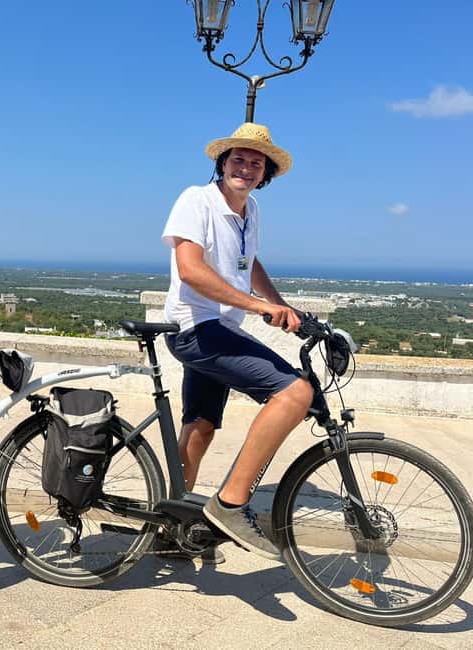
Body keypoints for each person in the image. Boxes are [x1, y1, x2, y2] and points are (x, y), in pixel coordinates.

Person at [160, 123, 313, 561]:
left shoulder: (251, 212)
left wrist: (282, 305)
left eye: (256, 162)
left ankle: (174, 528)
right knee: (295, 391)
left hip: (221, 329)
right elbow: (190, 269)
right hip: (195, 329)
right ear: (222, 163)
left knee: (202, 426)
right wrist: (257, 307)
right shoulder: (197, 200)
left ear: (264, 174)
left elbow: (249, 263)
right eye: (239, 159)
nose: (246, 168)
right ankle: (230, 505)